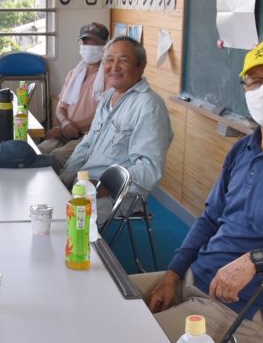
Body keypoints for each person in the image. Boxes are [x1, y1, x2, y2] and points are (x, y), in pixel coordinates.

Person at [132, 38, 263, 343]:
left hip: (240, 308)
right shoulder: (243, 148)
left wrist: (256, 260)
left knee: (135, 341)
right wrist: (172, 275)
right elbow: (210, 219)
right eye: (254, 82)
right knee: (110, 299)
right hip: (196, 277)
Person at [59, 36, 173, 223]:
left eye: (123, 61)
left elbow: (150, 168)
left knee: (65, 221)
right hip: (86, 183)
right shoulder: (107, 97)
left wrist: (106, 186)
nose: (114, 67)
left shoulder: (149, 106)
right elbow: (86, 145)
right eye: (109, 60)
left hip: (117, 194)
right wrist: (65, 178)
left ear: (141, 66)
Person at [38, 22, 109, 171]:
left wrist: (67, 128)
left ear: (105, 46)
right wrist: (64, 123)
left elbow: (103, 115)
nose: (88, 47)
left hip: (89, 136)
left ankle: (61, 185)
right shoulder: (74, 73)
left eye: (94, 43)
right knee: (38, 151)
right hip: (66, 130)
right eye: (85, 42)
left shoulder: (108, 77)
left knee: (56, 157)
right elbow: (61, 106)